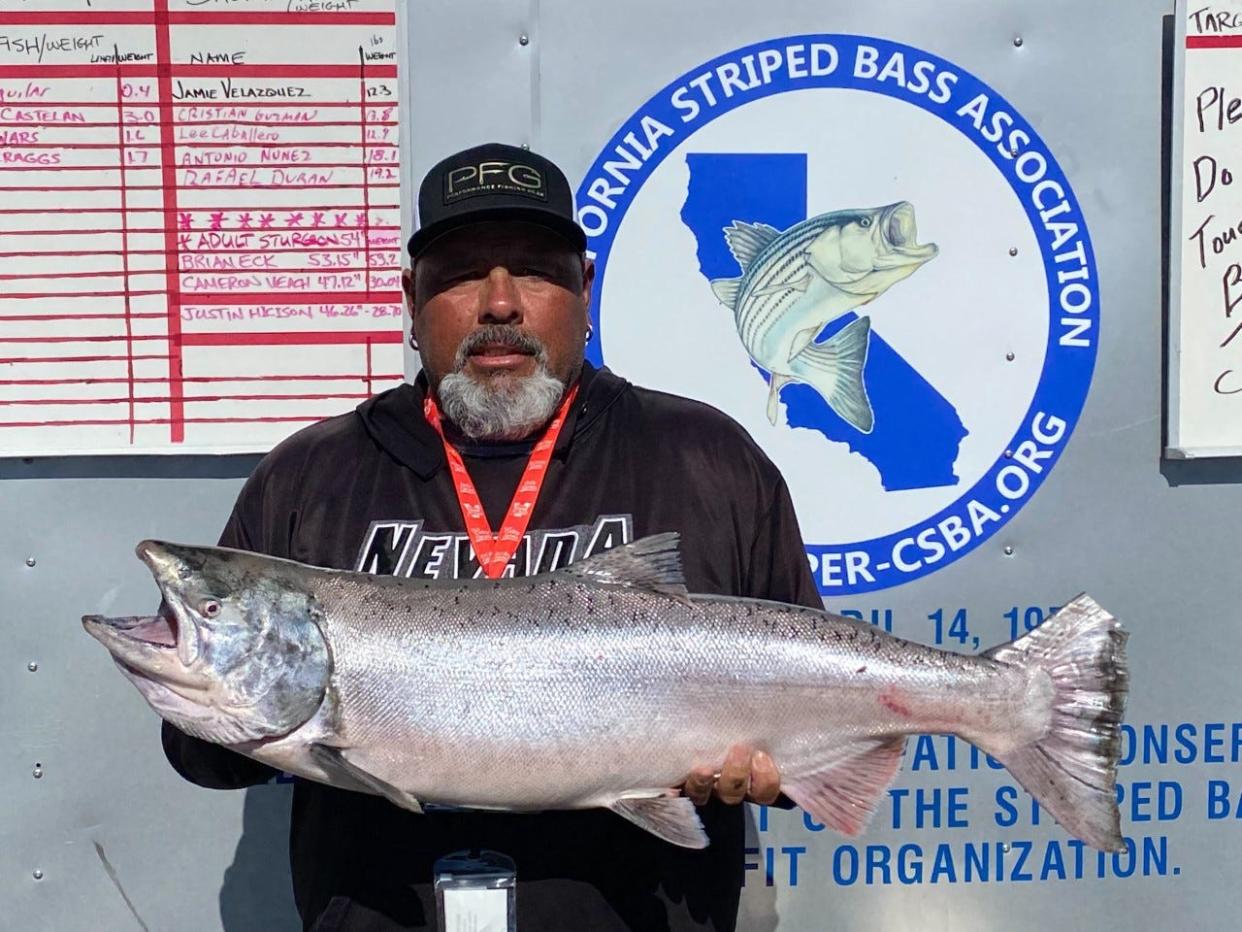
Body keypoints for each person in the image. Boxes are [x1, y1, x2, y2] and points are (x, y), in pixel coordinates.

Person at [162, 142, 823, 931]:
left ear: (584, 289)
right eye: (463, 272)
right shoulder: (312, 474)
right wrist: (216, 702)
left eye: (535, 270)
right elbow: (202, 757)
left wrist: (764, 768)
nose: (500, 304)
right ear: (411, 299)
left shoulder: (705, 458)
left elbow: (803, 725)